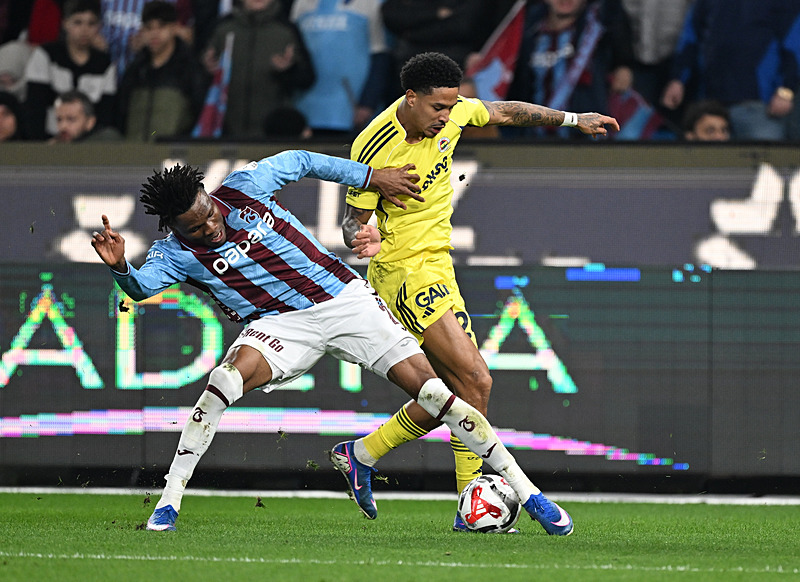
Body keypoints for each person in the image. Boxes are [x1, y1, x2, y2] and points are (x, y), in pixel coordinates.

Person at [89, 150, 574, 537]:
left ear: (207, 194)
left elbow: (302, 160)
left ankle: (529, 494)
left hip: (345, 300)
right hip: (280, 326)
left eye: (209, 214)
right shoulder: (173, 253)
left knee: (436, 395)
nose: (210, 227)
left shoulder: (245, 185)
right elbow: (141, 288)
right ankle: (169, 504)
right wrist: (118, 267)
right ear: (172, 228)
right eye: (195, 228)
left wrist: (370, 177)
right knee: (220, 382)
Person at [335, 51, 617, 532]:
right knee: (476, 382)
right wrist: (363, 237)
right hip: (402, 271)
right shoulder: (374, 145)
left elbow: (505, 111)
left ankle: (361, 454)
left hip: (439, 264)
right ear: (411, 98)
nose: (448, 117)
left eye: (451, 106)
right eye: (437, 109)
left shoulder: (456, 111)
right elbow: (351, 223)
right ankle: (469, 506)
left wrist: (574, 119)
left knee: (457, 392)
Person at [661, 0, 800, 141]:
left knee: (764, 161)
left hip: (760, 105)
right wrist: (677, 79)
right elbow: (690, 38)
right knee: (709, 162)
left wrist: (786, 90)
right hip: (711, 104)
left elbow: (794, 45)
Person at [505, 0, 634, 139]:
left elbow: (616, 21)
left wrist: (623, 64)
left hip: (584, 141)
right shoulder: (527, 32)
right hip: (534, 140)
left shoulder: (597, 31)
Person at [203, 0, 315, 139]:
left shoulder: (286, 29)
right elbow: (197, 77)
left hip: (273, 133)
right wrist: (208, 70)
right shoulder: (222, 27)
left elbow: (307, 78)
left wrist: (287, 70)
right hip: (225, 131)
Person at [290, 0, 392, 137]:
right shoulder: (302, 3)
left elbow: (380, 55)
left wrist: (369, 102)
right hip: (304, 109)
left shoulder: (371, 3)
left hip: (352, 111)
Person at [116, 1, 210, 141]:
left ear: (174, 28)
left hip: (175, 156)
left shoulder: (191, 70)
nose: (154, 33)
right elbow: (121, 115)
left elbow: (201, 118)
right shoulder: (135, 70)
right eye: (149, 28)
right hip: (134, 155)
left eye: (161, 26)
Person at [23, 0, 116, 139]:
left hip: (89, 148)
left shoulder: (105, 64)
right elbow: (35, 108)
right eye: (78, 22)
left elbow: (105, 115)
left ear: (99, 27)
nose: (84, 29)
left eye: (91, 23)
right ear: (65, 23)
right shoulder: (45, 55)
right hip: (47, 143)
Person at [49, 89, 121, 142]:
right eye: (59, 120)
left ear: (90, 122)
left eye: (71, 119)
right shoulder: (56, 146)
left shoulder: (107, 140)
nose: (63, 126)